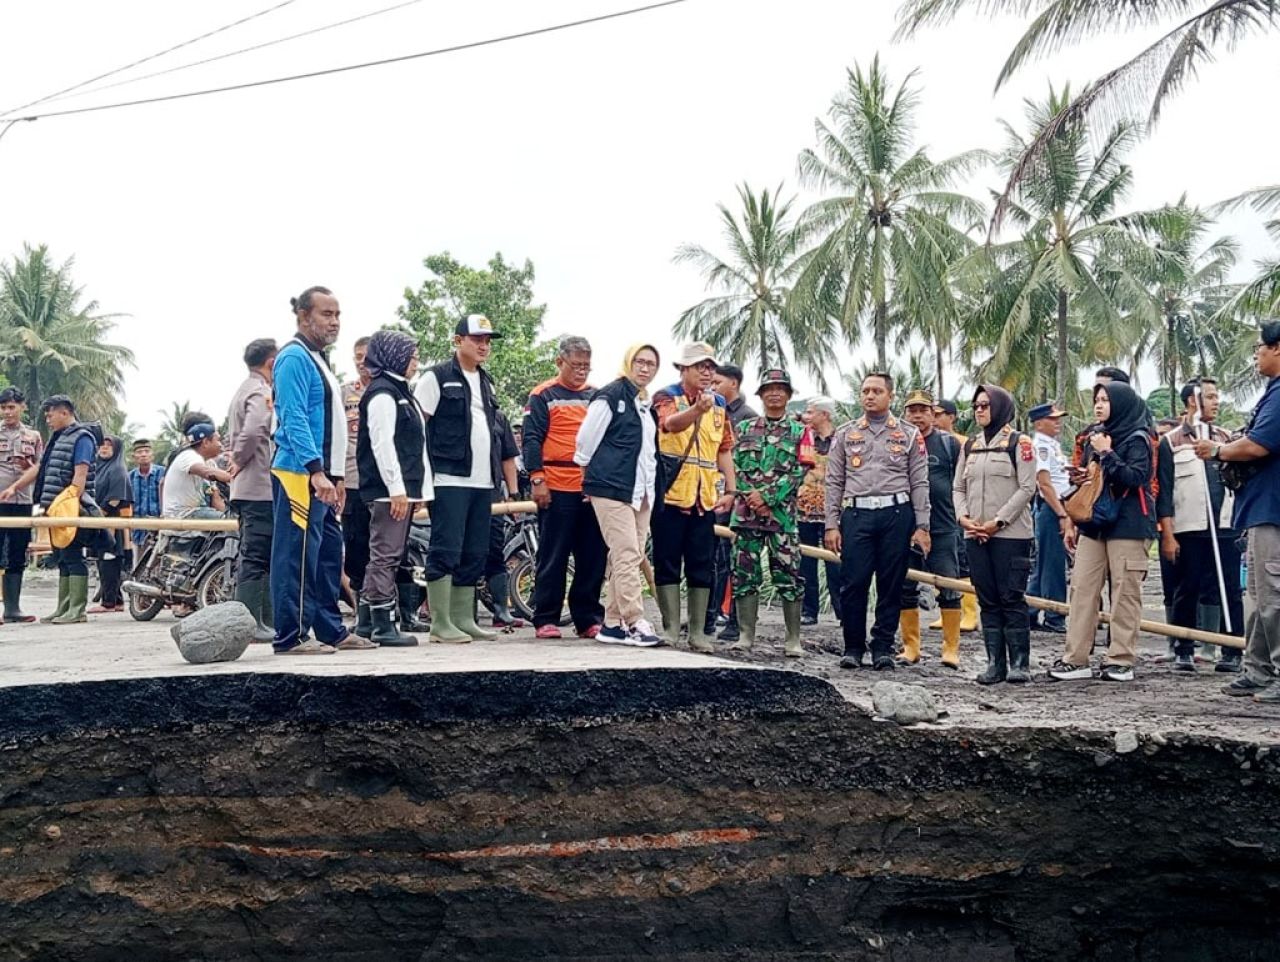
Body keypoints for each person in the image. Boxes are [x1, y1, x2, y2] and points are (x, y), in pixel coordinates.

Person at [269, 286, 360, 655]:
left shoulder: (317, 358)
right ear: (304, 316)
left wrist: (335, 477)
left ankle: (329, 627)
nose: (334, 321)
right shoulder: (293, 358)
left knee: (325, 555)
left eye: (337, 314)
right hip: (299, 473)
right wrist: (316, 471)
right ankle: (290, 636)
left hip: (323, 477)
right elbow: (294, 419)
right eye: (326, 314)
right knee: (297, 555)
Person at [1196, 322, 1280, 702]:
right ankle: (1258, 669)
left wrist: (1217, 450)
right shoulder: (1271, 393)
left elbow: (1257, 447)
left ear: (1278, 349)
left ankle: (1272, 671)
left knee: (1272, 595)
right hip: (1260, 507)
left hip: (1272, 507)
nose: (1256, 354)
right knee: (1258, 595)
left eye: (1260, 347)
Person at [1050, 382, 1156, 682]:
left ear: (1121, 404)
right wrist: (1086, 473)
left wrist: (1107, 453)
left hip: (1129, 523)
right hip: (1095, 523)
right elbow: (1095, 480)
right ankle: (1076, 658)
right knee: (1082, 587)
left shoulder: (1139, 438)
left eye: (1106, 400)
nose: (1099, 405)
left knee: (1124, 592)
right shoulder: (1095, 437)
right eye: (1096, 399)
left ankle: (1120, 659)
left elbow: (1136, 477)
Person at [824, 372, 930, 671]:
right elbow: (833, 481)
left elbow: (919, 482)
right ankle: (853, 647)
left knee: (891, 583)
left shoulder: (908, 434)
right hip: (857, 514)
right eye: (865, 391)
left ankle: (882, 646)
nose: (870, 396)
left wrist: (922, 525)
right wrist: (831, 524)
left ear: (890, 396)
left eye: (877, 391)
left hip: (896, 514)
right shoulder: (845, 434)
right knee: (853, 583)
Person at [414, 314, 506, 644]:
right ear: (458, 341)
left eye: (487, 340)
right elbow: (416, 430)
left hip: (483, 480)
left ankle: (463, 618)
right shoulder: (435, 377)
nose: (484, 345)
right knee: (446, 548)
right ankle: (440, 622)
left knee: (475, 550)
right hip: (448, 477)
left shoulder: (487, 380)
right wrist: (421, 479)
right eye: (477, 338)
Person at [574, 343, 664, 646]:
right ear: (628, 362)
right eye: (639, 361)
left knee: (629, 555)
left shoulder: (645, 403)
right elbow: (586, 439)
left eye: (651, 364)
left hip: (641, 490)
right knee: (626, 553)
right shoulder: (610, 396)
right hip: (611, 487)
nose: (644, 368)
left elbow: (648, 450)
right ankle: (635, 620)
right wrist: (586, 470)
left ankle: (612, 623)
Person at [650, 343, 737, 651]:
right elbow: (670, 425)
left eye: (710, 366)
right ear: (683, 369)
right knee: (667, 560)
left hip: (704, 496)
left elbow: (723, 447)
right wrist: (696, 410)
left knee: (702, 563)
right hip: (671, 494)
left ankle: (698, 631)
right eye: (699, 366)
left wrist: (730, 488)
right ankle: (672, 628)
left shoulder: (719, 404)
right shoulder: (665, 396)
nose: (706, 371)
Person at [1157, 378, 1243, 673]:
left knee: (1229, 588)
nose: (1216, 402)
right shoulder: (1171, 442)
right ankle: (1183, 648)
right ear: (1193, 401)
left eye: (1217, 395)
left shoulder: (1227, 438)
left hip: (1225, 526)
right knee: (1187, 587)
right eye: (1210, 396)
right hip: (1189, 527)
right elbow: (1164, 492)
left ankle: (1232, 650)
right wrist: (1168, 534)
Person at [523, 336, 606, 639]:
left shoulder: (599, 396)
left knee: (592, 555)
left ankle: (587, 618)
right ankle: (545, 617)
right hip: (556, 484)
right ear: (560, 362)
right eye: (576, 365)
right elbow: (531, 438)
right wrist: (537, 478)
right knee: (553, 554)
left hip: (590, 487)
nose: (581, 371)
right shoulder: (543, 395)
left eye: (586, 366)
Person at [954, 386, 1037, 684]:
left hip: (1010, 535)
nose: (979, 410)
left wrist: (997, 522)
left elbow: (1027, 488)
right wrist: (963, 518)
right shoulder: (970, 446)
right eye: (976, 405)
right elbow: (958, 488)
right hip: (974, 533)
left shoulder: (1019, 443)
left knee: (1011, 598)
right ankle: (994, 665)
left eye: (985, 405)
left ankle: (1019, 664)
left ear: (1000, 407)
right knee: (987, 599)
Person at [356, 330, 432, 647]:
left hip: (403, 487)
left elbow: (417, 443)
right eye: (412, 356)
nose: (415, 363)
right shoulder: (383, 393)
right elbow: (382, 444)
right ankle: (383, 625)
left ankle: (364, 622)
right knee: (385, 555)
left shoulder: (402, 390)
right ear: (395, 357)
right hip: (388, 489)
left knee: (390, 554)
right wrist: (396, 488)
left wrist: (420, 489)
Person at [729, 369, 813, 656]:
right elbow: (734, 467)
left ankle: (793, 640)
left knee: (789, 575)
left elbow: (800, 471)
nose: (774, 393)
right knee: (744, 574)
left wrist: (767, 497)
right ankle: (746, 636)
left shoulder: (801, 432)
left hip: (782, 517)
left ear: (788, 395)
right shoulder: (743, 429)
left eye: (780, 388)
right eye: (769, 388)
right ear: (761, 394)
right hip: (746, 515)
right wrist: (751, 497)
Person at [898, 389, 964, 668]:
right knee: (905, 587)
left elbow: (963, 483)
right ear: (905, 414)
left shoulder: (950, 445)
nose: (917, 416)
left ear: (933, 414)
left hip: (944, 526)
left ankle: (951, 650)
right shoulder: (897, 443)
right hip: (904, 528)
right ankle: (911, 647)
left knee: (949, 588)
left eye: (923, 410)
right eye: (912, 410)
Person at [32, 395, 102, 625]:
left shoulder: (82, 437)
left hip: (69, 506)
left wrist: (70, 502)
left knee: (73, 555)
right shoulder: (58, 437)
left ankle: (77, 610)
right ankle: (63, 607)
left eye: (50, 414)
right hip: (54, 506)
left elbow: (80, 474)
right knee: (60, 556)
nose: (48, 419)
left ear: (64, 413)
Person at [227, 337, 278, 643]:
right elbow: (257, 427)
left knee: (260, 554)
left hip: (248, 488)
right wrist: (238, 459)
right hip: (258, 486)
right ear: (271, 363)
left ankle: (265, 620)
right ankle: (252, 622)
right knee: (257, 555)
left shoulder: (244, 389)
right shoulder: (260, 391)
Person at [705, 363, 759, 641]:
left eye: (717, 382)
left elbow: (748, 464)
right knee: (711, 558)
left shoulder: (748, 418)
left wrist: (738, 493)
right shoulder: (711, 411)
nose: (712, 387)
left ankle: (735, 622)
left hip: (737, 499)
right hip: (712, 495)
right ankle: (708, 616)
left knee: (735, 561)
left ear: (734, 384)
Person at [932, 398, 980, 633]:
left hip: (958, 510)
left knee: (962, 561)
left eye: (939, 414)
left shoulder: (960, 443)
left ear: (951, 417)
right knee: (940, 564)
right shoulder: (925, 442)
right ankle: (947, 609)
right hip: (936, 511)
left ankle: (969, 613)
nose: (935, 418)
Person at [1025, 403, 1071, 633]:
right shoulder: (1040, 447)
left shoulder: (1052, 446)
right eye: (1053, 419)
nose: (1057, 422)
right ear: (1039, 423)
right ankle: (1055, 615)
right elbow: (1044, 484)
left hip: (1056, 507)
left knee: (1045, 564)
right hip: (1052, 508)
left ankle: (1030, 611)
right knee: (1052, 565)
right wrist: (1062, 513)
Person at [797, 396, 842, 626]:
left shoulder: (841, 438)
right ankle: (809, 610)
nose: (807, 416)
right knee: (807, 560)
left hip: (833, 510)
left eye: (811, 412)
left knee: (835, 560)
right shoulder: (804, 438)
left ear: (824, 415)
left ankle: (841, 610)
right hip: (804, 508)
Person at [0, 387, 44, 622]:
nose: (7, 412)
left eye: (11, 407)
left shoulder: (33, 436)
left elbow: (39, 467)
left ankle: (12, 608)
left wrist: (22, 474)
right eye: (3, 407)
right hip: (0, 502)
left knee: (18, 553)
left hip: (22, 501)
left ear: (22, 407)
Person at [342, 336, 373, 629]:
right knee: (355, 548)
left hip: (384, 483)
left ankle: (399, 614)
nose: (361, 361)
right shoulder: (344, 394)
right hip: (351, 481)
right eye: (356, 356)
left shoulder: (390, 390)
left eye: (365, 355)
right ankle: (361, 616)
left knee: (390, 550)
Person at [88, 436, 132, 614]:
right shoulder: (98, 468)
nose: (104, 448)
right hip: (102, 521)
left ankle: (109, 602)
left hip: (111, 522)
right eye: (102, 445)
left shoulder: (117, 469)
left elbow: (115, 500)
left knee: (109, 560)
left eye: (109, 446)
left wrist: (98, 516)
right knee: (105, 560)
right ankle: (118, 600)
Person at [162, 418, 230, 519]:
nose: (221, 445)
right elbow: (207, 472)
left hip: (197, 511)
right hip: (181, 515)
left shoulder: (210, 463)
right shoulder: (189, 456)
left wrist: (227, 518)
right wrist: (238, 478)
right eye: (218, 440)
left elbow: (216, 499)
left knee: (231, 521)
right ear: (206, 442)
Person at [128, 439, 164, 557]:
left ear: (152, 455)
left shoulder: (162, 473)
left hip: (160, 526)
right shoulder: (130, 477)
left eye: (146, 451)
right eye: (139, 452)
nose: (143, 454)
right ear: (134, 457)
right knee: (139, 564)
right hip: (138, 527)